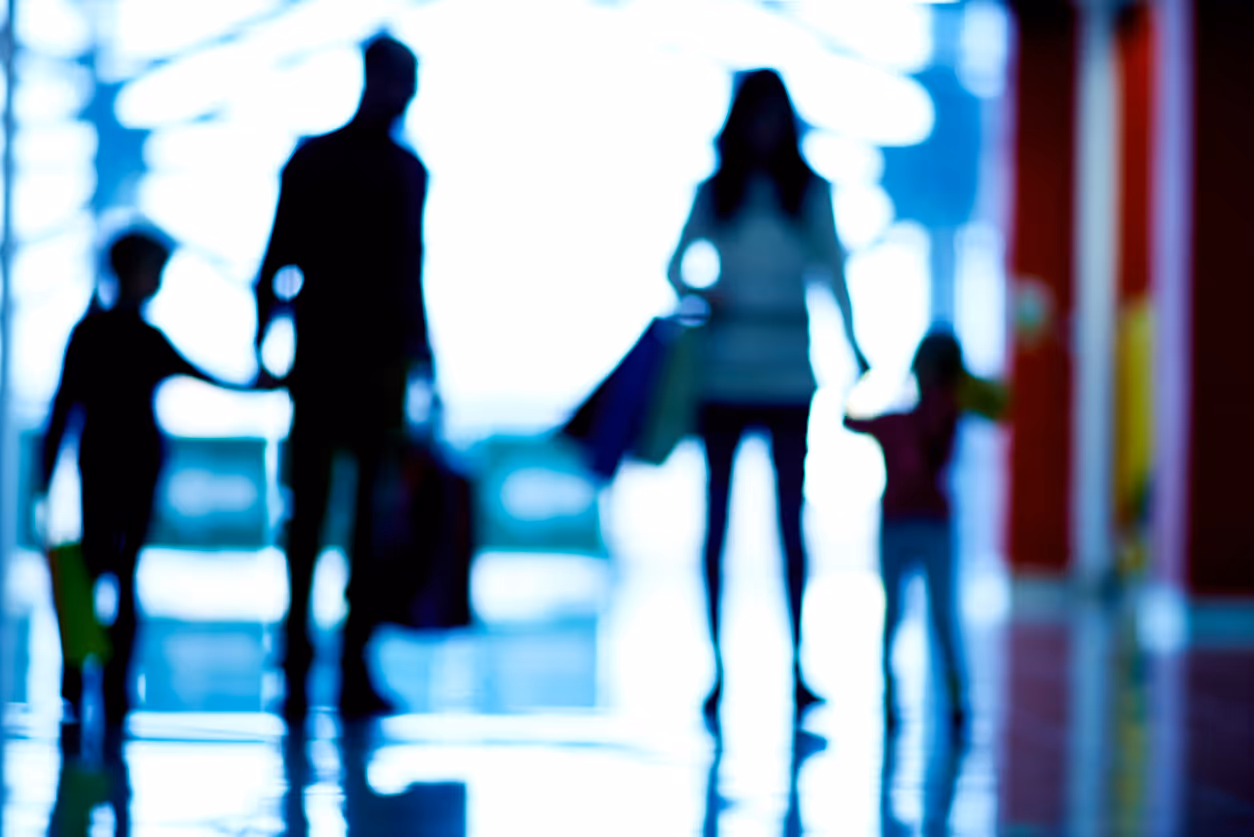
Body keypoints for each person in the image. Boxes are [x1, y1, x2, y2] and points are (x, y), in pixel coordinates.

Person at [666, 69, 869, 722]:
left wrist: (856, 350)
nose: (764, 127)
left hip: (787, 378)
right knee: (716, 526)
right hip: (723, 377)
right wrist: (708, 294)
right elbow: (675, 268)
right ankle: (716, 668)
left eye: (772, 114)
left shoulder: (808, 193)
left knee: (790, 525)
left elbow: (834, 274)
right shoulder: (717, 193)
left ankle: (798, 665)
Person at [254, 34, 432, 721]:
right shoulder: (397, 170)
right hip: (361, 364)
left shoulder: (322, 160)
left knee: (320, 515)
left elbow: (276, 263)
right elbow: (407, 269)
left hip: (333, 360)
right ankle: (339, 663)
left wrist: (265, 343)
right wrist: (422, 359)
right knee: (348, 517)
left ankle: (307, 661)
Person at [38, 228, 261, 732]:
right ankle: (107, 681)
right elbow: (214, 378)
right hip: (130, 465)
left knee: (101, 565)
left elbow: (63, 410)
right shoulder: (134, 337)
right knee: (119, 569)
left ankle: (82, 674)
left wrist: (44, 479)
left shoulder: (94, 333)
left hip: (107, 464)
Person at [843, 329, 974, 728]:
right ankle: (922, 694)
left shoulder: (934, 415)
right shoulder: (919, 418)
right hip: (916, 524)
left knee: (921, 614)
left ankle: (933, 694)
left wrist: (860, 381)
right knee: (917, 614)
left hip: (917, 524)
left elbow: (851, 420)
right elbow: (851, 421)